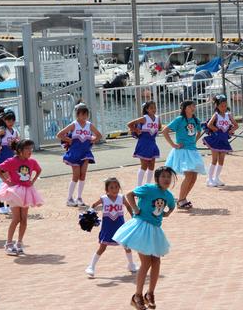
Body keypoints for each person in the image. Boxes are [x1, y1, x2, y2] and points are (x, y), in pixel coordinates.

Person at [113, 166, 176, 310]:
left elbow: (172, 206)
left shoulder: (168, 195)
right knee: (146, 262)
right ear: (157, 178)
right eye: (163, 176)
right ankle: (137, 296)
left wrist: (168, 213)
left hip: (155, 230)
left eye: (168, 177)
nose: (166, 179)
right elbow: (129, 194)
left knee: (156, 262)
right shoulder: (148, 188)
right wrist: (135, 209)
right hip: (141, 227)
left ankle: (150, 294)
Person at [0, 139, 43, 255]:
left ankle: (19, 243)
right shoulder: (12, 161)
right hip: (15, 192)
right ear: (20, 150)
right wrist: (6, 181)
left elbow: (39, 170)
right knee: (16, 219)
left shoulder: (32, 162)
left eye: (31, 148)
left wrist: (33, 181)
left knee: (24, 219)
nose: (30, 151)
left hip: (26, 192)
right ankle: (9, 244)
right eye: (27, 149)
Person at [85, 177, 138, 277]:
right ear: (107, 190)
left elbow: (127, 205)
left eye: (117, 187)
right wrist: (89, 215)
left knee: (126, 245)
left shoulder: (121, 197)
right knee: (102, 247)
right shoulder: (103, 198)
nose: (114, 190)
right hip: (107, 226)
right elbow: (93, 205)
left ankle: (131, 264)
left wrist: (133, 216)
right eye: (111, 188)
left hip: (120, 225)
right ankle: (91, 266)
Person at [57, 103, 103, 207]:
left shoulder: (89, 125)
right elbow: (59, 134)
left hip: (85, 153)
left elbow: (99, 135)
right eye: (82, 114)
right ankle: (69, 198)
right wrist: (69, 140)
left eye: (86, 114)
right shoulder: (74, 124)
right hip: (74, 153)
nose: (84, 117)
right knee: (76, 176)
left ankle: (79, 197)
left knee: (83, 175)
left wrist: (92, 140)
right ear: (77, 115)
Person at [162, 100, 206, 209]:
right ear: (185, 108)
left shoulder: (196, 120)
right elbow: (165, 131)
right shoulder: (179, 120)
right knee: (189, 175)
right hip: (183, 151)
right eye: (191, 106)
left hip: (192, 150)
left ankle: (184, 198)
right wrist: (173, 144)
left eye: (194, 106)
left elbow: (199, 131)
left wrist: (194, 141)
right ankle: (181, 199)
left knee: (194, 176)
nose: (193, 108)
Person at [203, 94, 238, 187]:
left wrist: (230, 131)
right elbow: (209, 125)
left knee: (221, 160)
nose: (224, 107)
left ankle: (216, 178)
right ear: (217, 106)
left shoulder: (228, 115)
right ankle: (209, 179)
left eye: (225, 105)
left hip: (224, 140)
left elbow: (236, 125)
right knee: (214, 159)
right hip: (215, 139)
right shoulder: (216, 115)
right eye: (221, 105)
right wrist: (217, 130)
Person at [127, 101, 161, 186]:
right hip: (143, 143)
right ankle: (139, 186)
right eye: (151, 108)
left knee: (152, 165)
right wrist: (136, 130)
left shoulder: (157, 118)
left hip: (152, 143)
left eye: (154, 107)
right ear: (147, 109)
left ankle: (147, 185)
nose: (154, 109)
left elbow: (159, 127)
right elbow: (129, 124)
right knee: (144, 165)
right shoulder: (144, 118)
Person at [0, 108, 20, 215]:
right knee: (4, 181)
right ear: (4, 120)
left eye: (12, 120)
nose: (10, 122)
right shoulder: (2, 131)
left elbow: (17, 146)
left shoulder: (16, 132)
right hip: (2, 158)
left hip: (11, 158)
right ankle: (0, 205)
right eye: (8, 120)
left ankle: (8, 204)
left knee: (10, 181)